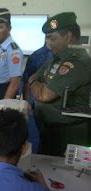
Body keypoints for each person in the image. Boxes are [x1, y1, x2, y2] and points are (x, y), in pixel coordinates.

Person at [29, 12, 91, 156]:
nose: (48, 43)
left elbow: (45, 96)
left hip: (68, 135)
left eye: (52, 38)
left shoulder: (76, 62)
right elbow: (33, 76)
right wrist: (35, 82)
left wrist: (38, 86)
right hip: (52, 130)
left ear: (69, 36)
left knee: (62, 175)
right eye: (47, 38)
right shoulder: (57, 58)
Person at [22, 43, 52, 153]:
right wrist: (26, 101)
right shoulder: (36, 55)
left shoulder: (68, 57)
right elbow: (27, 80)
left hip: (61, 106)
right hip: (39, 103)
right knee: (41, 136)